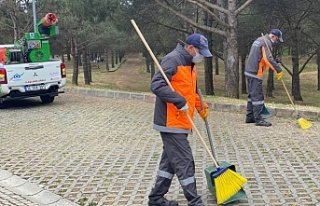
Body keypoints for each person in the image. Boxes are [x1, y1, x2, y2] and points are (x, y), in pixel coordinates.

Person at [148, 33, 212, 206]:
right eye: (200, 52)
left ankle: (156, 199)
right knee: (185, 161)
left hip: (182, 121)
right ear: (191, 47)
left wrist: (201, 106)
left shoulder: (190, 64)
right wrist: (178, 101)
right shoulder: (172, 60)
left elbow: (192, 91)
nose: (201, 57)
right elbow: (156, 84)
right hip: (171, 121)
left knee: (169, 163)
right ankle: (195, 201)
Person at [244, 29, 284, 127]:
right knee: (258, 96)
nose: (276, 42)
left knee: (251, 96)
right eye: (277, 40)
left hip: (249, 70)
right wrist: (278, 70)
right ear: (273, 36)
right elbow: (267, 59)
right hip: (255, 72)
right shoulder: (266, 43)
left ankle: (250, 117)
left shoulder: (259, 40)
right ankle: (258, 119)